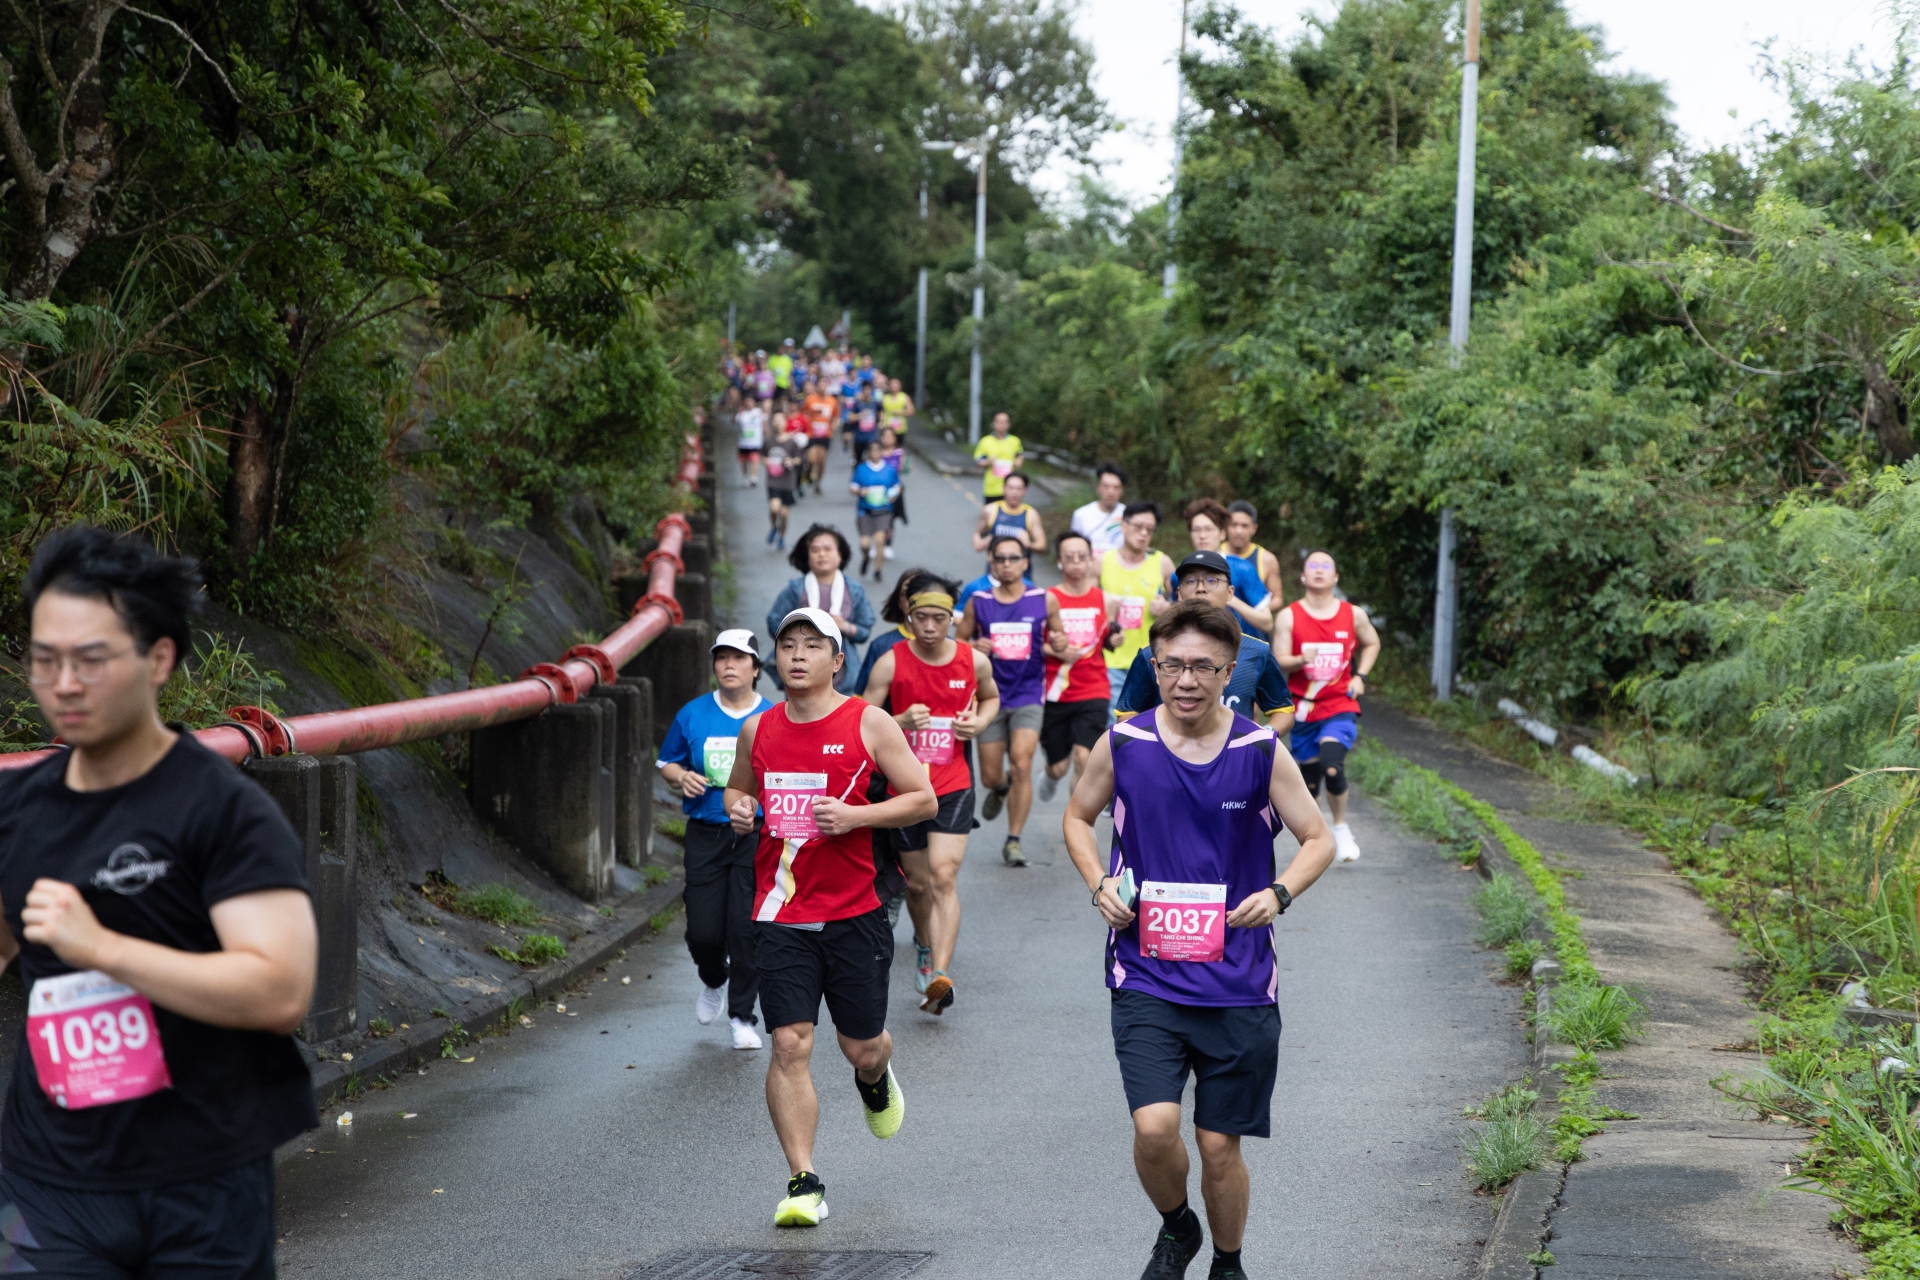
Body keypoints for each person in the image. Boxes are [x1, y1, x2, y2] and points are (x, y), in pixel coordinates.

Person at [0, 527, 320, 1276]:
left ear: (159, 659)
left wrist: (103, 949)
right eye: (45, 661)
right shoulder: (15, 809)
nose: (64, 684)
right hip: (48, 1183)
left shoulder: (222, 810)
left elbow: (280, 989)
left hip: (204, 1180)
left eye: (91, 660)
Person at [1063, 601, 1336, 1280]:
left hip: (1239, 979)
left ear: (1226, 671)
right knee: (1155, 1128)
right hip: (1145, 972)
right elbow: (1076, 816)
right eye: (1172, 665)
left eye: (1202, 667)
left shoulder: (1257, 751)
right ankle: (1177, 1227)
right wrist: (1099, 882)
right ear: (1154, 667)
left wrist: (1278, 893)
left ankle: (1228, 1262)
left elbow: (1318, 838)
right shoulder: (1124, 743)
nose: (1186, 679)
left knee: (1219, 1146)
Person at [722, 608, 937, 1227]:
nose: (796, 655)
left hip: (855, 912)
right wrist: (741, 809)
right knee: (789, 1043)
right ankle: (803, 1180)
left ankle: (875, 1075)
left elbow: (921, 796)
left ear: (836, 660)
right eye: (787, 645)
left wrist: (857, 819)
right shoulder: (757, 731)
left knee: (860, 1046)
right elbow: (741, 791)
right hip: (781, 909)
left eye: (811, 646)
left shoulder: (868, 722)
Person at [861, 582, 1000, 1015]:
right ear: (910, 617)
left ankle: (940, 973)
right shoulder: (890, 662)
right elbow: (861, 717)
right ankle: (923, 946)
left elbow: (993, 698)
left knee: (943, 876)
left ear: (951, 619)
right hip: (905, 789)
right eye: (921, 617)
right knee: (918, 883)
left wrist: (978, 723)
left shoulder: (972, 660)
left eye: (939, 618)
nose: (929, 626)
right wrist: (899, 719)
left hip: (953, 782)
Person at [657, 630, 774, 1051]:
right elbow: (667, 762)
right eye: (721, 658)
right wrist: (681, 777)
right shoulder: (693, 713)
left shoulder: (773, 717)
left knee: (745, 928)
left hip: (755, 835)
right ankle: (713, 978)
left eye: (739, 659)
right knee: (704, 932)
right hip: (706, 832)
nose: (728, 665)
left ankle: (743, 1016)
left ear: (756, 669)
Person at [1273, 551, 1381, 866]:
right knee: (1308, 780)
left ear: (1335, 577)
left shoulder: (1353, 614)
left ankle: (1342, 826)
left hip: (1339, 704)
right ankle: (1319, 838)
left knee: (1332, 763)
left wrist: (1360, 676)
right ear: (1303, 577)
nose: (1319, 571)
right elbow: (1278, 659)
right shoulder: (1289, 616)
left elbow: (1372, 643)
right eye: (1312, 566)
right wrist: (1299, 660)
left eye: (1326, 566)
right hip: (1303, 708)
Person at [955, 537, 1053, 867]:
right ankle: (1001, 788)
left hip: (1028, 694)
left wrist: (1061, 644)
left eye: (1014, 558)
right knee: (990, 776)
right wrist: (974, 647)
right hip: (990, 696)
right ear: (992, 563)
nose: (1007, 564)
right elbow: (958, 643)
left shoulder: (1043, 600)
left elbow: (1059, 639)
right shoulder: (978, 601)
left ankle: (1013, 840)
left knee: (1023, 761)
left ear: (1026, 562)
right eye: (1001, 559)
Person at [1116, 552, 1295, 733]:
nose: (1200, 588)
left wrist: (1262, 738)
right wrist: (1153, 743)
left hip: (1234, 758)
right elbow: (1127, 712)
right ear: (1178, 593)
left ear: (1230, 592)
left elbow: (1283, 710)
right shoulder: (1152, 653)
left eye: (1211, 580)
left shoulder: (1257, 651)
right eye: (1191, 581)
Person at [1040, 531, 1113, 803]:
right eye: (1069, 557)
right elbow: (1030, 644)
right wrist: (1053, 650)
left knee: (1084, 757)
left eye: (1082, 557)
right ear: (1059, 561)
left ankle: (1077, 821)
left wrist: (1114, 638)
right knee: (1059, 767)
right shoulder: (1047, 598)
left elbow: (1106, 637)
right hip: (1055, 691)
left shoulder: (1104, 599)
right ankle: (1049, 774)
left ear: (1091, 560)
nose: (1076, 563)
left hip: (1093, 688)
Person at [766, 526, 876, 695]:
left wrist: (844, 626)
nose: (821, 554)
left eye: (828, 549)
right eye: (815, 550)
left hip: (844, 677)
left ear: (840, 555)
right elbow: (774, 621)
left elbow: (864, 630)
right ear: (807, 557)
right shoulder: (795, 589)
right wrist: (799, 624)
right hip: (799, 670)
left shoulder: (854, 590)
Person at [1102, 502, 1177, 711]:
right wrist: (1103, 604)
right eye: (1138, 527)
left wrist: (1167, 608)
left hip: (1152, 660)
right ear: (1123, 526)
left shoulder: (1162, 562)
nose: (1144, 533)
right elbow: (1085, 602)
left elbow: (1184, 604)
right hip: (1112, 659)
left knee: (1152, 724)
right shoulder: (1103, 562)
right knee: (1116, 726)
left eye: (1149, 529)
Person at [1184, 499, 1273, 638]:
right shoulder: (1181, 573)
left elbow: (1267, 623)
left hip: (1241, 653)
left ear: (1222, 534)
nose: (1202, 535)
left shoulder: (1242, 568)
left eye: (1209, 529)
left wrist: (1231, 600)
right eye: (1196, 530)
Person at [850, 437, 901, 582]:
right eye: (872, 450)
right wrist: (861, 492)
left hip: (884, 511)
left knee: (880, 541)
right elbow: (852, 487)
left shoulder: (889, 470)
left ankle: (878, 570)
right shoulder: (861, 469)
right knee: (865, 544)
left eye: (878, 450)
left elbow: (897, 486)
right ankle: (866, 557)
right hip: (865, 511)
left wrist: (893, 495)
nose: (875, 453)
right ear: (868, 452)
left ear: (881, 452)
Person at [1225, 502, 1285, 607]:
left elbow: (1277, 598)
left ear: (1254, 529)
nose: (1238, 531)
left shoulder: (1267, 559)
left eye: (1244, 526)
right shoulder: (1215, 554)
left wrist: (1258, 612)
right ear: (1226, 526)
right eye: (1234, 525)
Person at [971, 472, 1047, 556]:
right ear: (1004, 488)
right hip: (995, 567)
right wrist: (978, 543)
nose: (1014, 492)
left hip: (1021, 568)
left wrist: (1029, 544)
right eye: (1010, 488)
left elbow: (1042, 545)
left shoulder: (1031, 514)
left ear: (1025, 491)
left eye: (1019, 488)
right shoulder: (990, 510)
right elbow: (978, 533)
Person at [1072, 462, 1128, 557]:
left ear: (1122, 491)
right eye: (1106, 486)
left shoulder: (1129, 515)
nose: (1111, 492)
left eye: (1116, 487)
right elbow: (1073, 545)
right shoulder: (1081, 514)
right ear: (1098, 488)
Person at [763, 425, 804, 550]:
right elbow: (761, 456)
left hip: (787, 482)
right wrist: (767, 461)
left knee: (785, 514)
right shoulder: (768, 441)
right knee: (774, 508)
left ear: (784, 424)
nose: (777, 424)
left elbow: (799, 459)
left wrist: (791, 461)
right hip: (773, 481)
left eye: (780, 421)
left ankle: (781, 537)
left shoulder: (792, 442)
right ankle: (774, 526)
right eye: (775, 421)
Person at [972, 411, 1025, 502]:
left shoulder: (1015, 441)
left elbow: (1019, 455)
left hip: (1011, 490)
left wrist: (1019, 462)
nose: (1002, 425)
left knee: (1010, 515)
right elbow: (978, 462)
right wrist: (988, 462)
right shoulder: (985, 442)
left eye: (1005, 422)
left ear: (1009, 424)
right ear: (993, 424)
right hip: (992, 488)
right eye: (999, 422)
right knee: (991, 515)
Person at [880, 424, 910, 534]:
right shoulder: (877, 453)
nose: (887, 438)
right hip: (879, 487)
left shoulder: (899, 452)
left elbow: (902, 469)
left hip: (893, 486)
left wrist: (907, 466)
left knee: (890, 515)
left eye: (890, 436)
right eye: (885, 436)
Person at [736, 398, 769, 488]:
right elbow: (735, 421)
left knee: (755, 459)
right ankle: (745, 477)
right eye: (746, 402)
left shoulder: (759, 412)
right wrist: (739, 411)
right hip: (743, 442)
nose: (748, 403)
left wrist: (766, 431)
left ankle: (754, 477)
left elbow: (764, 423)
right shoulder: (741, 413)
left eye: (750, 401)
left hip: (755, 442)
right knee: (744, 460)